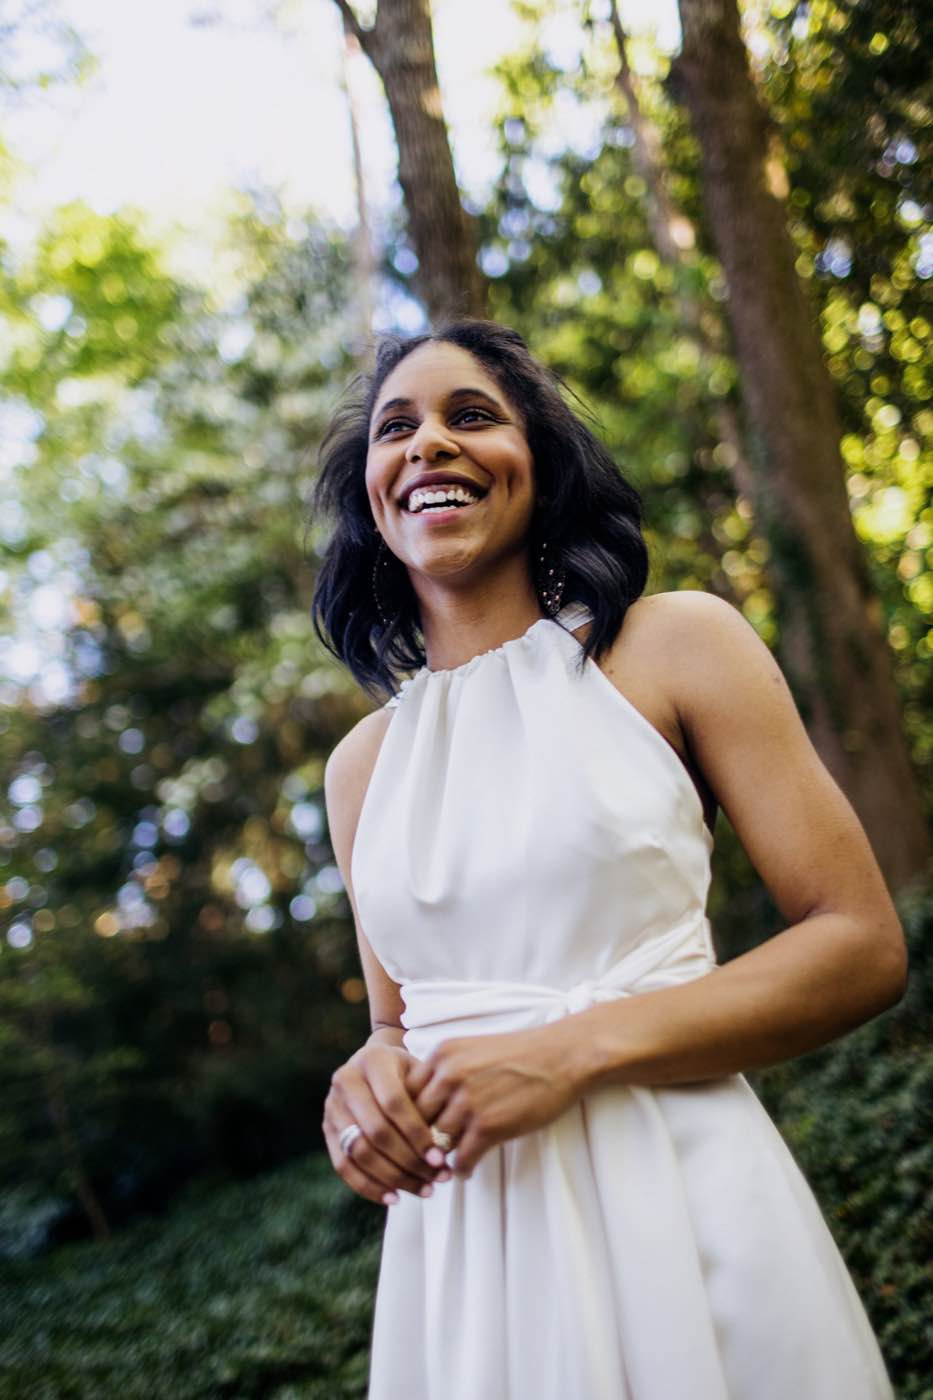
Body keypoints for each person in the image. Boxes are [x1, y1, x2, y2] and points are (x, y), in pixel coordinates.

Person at [311, 319, 905, 1400]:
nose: (429, 443)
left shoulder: (676, 645)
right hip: (465, 1256)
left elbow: (860, 944)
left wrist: (570, 1051)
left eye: (471, 415)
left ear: (538, 463)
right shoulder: (359, 769)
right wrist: (363, 1086)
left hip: (682, 1195)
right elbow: (397, 1025)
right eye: (396, 428)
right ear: (371, 496)